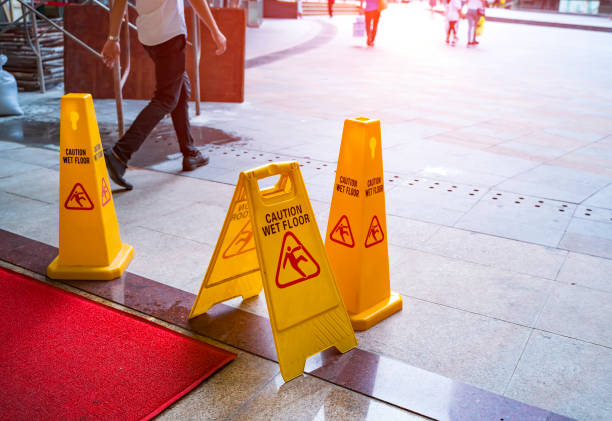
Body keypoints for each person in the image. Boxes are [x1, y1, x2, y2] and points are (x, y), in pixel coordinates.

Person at [101, 0, 227, 190]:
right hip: (170, 34)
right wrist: (215, 31)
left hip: (148, 35)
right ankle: (120, 154)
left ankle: (190, 152)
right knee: (166, 98)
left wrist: (113, 38)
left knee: (179, 85)